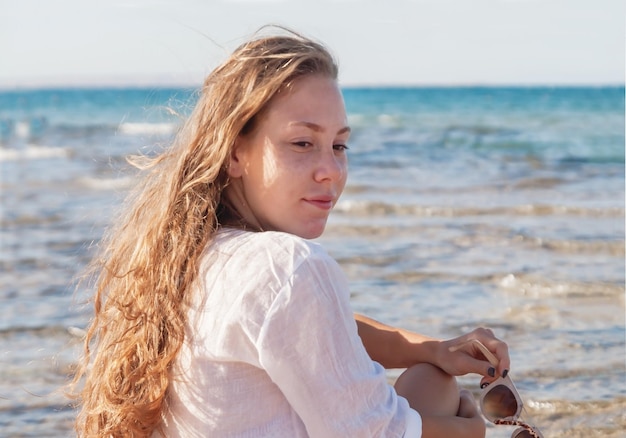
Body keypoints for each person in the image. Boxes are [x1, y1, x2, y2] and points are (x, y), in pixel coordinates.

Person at [71, 27, 510, 437]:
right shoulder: (285, 266)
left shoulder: (187, 257)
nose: (330, 172)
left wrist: (432, 349)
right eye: (303, 143)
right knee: (438, 390)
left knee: (432, 373)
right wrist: (471, 429)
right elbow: (372, 431)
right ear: (234, 152)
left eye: (339, 145)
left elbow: (311, 327)